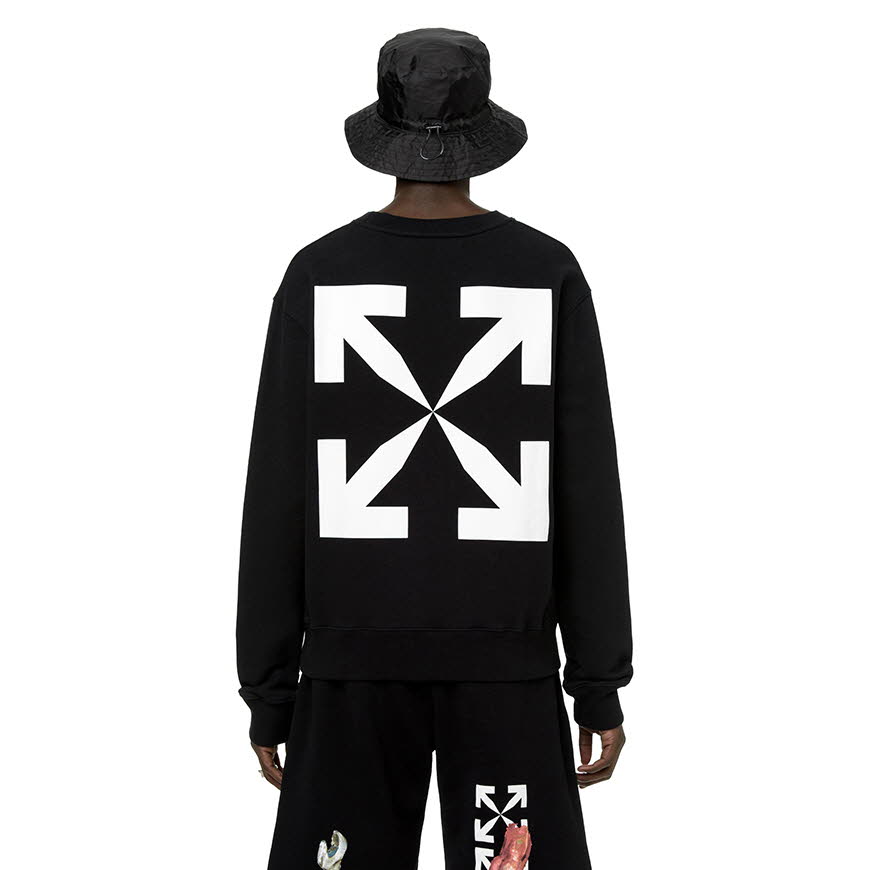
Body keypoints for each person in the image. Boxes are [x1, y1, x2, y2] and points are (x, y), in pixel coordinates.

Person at [236, 27, 633, 870]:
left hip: (347, 675)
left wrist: (269, 690)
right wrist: (597, 681)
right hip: (509, 682)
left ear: (384, 130)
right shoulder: (546, 272)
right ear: (481, 129)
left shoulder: (318, 275)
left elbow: (276, 492)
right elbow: (586, 491)